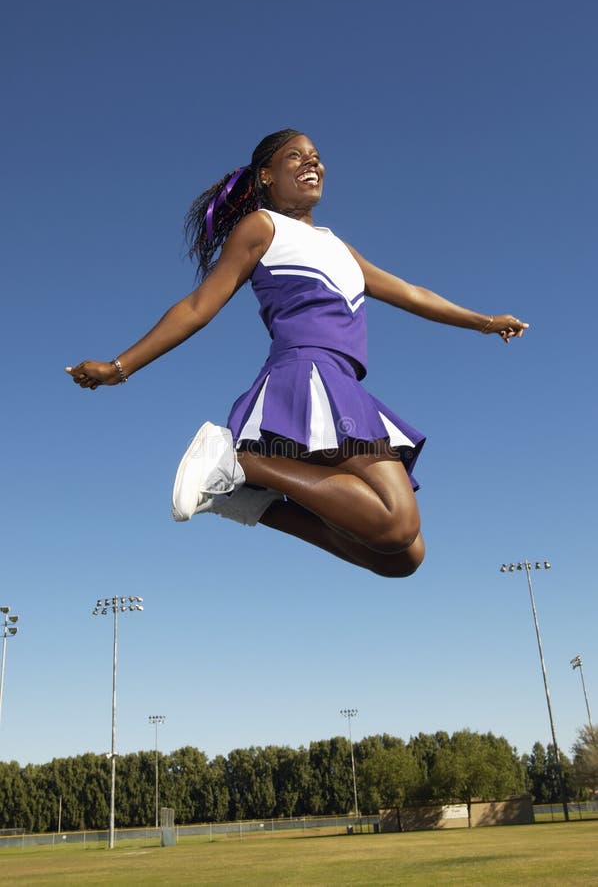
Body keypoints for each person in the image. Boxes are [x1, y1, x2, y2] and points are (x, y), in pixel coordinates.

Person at [66, 129, 528, 578]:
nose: (313, 162)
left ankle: (249, 500)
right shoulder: (262, 227)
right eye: (296, 155)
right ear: (266, 175)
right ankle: (238, 462)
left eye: (316, 155)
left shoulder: (338, 247)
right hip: (306, 378)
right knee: (397, 523)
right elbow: (196, 307)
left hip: (344, 387)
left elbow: (412, 293)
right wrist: (119, 367)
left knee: (403, 557)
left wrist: (485, 322)